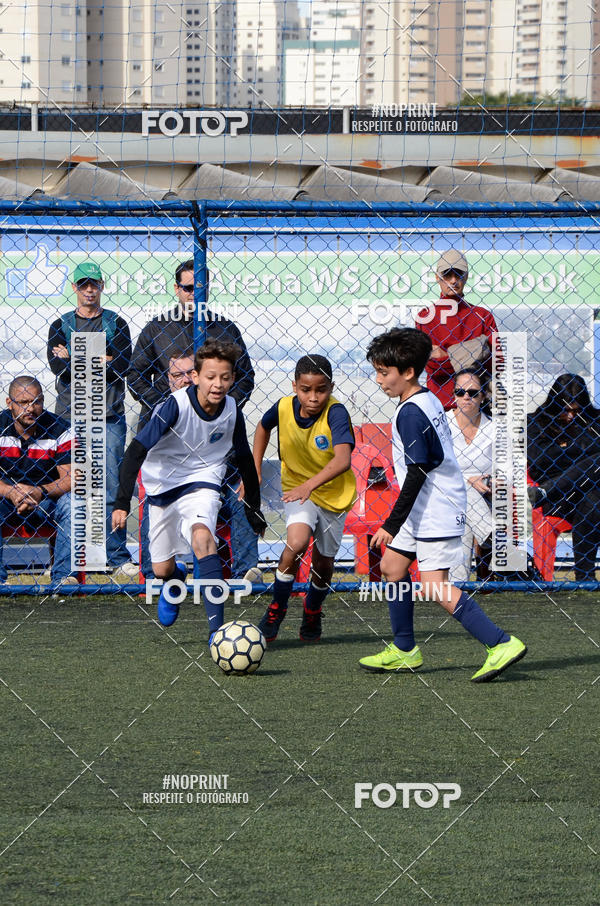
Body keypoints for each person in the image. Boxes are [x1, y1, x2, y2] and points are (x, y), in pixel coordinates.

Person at [358, 327, 526, 682]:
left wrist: (391, 524)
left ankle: (500, 643)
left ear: (407, 373)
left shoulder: (411, 413)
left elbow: (419, 470)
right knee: (392, 566)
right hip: (424, 507)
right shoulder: (428, 398)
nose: (378, 380)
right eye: (376, 371)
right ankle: (405, 650)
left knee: (434, 586)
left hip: (436, 509)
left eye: (383, 372)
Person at [112, 340, 266, 635]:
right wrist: (122, 503)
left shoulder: (232, 409)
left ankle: (216, 633)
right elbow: (135, 451)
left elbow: (245, 458)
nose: (217, 384)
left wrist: (254, 509)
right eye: (210, 377)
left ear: (233, 378)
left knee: (203, 539)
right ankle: (175, 579)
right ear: (196, 377)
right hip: (163, 485)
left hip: (203, 480)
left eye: (224, 377)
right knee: (161, 569)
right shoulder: (174, 405)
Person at [128, 260, 260, 583]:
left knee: (236, 485)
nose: (194, 294)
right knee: (157, 491)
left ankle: (247, 569)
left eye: (199, 287)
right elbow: (135, 376)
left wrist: (219, 405)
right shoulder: (157, 328)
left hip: (213, 436)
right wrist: (169, 406)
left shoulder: (225, 329)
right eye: (188, 288)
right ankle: (156, 573)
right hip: (170, 435)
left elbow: (246, 378)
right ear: (177, 290)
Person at [253, 354, 356, 643]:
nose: (313, 397)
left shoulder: (336, 413)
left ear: (331, 387)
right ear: (295, 386)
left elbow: (344, 459)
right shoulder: (284, 406)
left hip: (333, 494)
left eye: (321, 390)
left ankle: (312, 609)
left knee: (323, 563)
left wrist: (310, 485)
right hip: (298, 487)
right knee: (296, 543)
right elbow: (263, 426)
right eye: (306, 390)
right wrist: (256, 469)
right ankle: (277, 607)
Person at [47, 261, 136, 577]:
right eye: (83, 284)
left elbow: (123, 364)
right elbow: (59, 369)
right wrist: (101, 357)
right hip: (70, 417)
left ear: (102, 286)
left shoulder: (116, 323)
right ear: (74, 288)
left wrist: (75, 357)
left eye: (93, 284)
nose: (88, 289)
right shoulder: (61, 324)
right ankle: (67, 562)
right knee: (73, 486)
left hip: (108, 414)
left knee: (110, 486)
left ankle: (114, 555)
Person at [0, 376, 76, 585]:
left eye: (37, 401)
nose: (31, 408)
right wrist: (11, 492)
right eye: (23, 402)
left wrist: (39, 491)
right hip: (6, 498)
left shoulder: (61, 428)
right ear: (9, 403)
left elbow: (71, 479)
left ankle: (63, 579)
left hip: (46, 500)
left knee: (74, 504)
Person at [527, 373, 600, 582]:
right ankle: (585, 578)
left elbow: (552, 458)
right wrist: (584, 449)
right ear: (554, 404)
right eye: (565, 410)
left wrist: (564, 450)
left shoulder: (595, 420)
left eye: (577, 411)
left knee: (592, 499)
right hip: (560, 500)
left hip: (586, 491)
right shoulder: (535, 421)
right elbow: (539, 459)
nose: (571, 416)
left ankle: (585, 579)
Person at [416, 249, 499, 411]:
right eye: (447, 275)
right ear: (437, 277)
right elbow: (431, 367)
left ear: (466, 277)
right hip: (441, 407)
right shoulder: (425, 317)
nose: (453, 281)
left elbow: (497, 362)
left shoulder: (483, 316)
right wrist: (476, 352)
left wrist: (445, 355)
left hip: (477, 404)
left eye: (458, 275)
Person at [447, 369, 494, 581]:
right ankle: (491, 535)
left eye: (473, 392)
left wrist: (483, 480)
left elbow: (507, 467)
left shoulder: (493, 428)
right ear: (454, 394)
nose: (466, 397)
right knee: (462, 488)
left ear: (483, 395)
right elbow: (436, 468)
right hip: (445, 490)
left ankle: (458, 583)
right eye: (460, 392)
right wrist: (468, 480)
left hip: (484, 492)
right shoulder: (442, 424)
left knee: (463, 510)